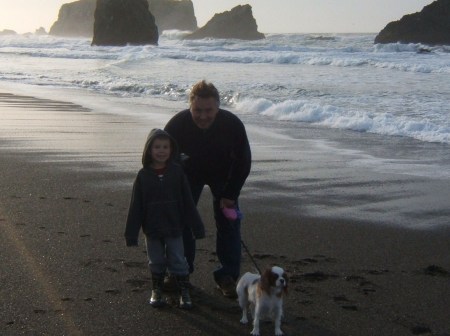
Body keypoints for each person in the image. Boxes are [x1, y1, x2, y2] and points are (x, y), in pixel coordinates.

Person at [165, 80, 251, 298]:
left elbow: (243, 162)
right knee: (182, 221)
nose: (203, 116)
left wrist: (231, 194)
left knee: (229, 223)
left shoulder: (232, 125)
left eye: (208, 110)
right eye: (197, 111)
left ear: (218, 106)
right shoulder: (177, 125)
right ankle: (181, 271)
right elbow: (162, 158)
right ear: (190, 107)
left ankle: (227, 276)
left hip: (223, 174)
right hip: (188, 174)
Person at [124, 128, 205, 309]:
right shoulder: (143, 176)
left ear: (171, 150)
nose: (161, 151)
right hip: (152, 229)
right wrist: (131, 234)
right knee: (156, 260)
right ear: (149, 150)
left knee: (178, 259)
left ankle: (184, 292)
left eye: (165, 147)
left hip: (175, 227)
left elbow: (188, 202)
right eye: (157, 147)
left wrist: (196, 226)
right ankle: (157, 290)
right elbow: (135, 206)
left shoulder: (177, 173)